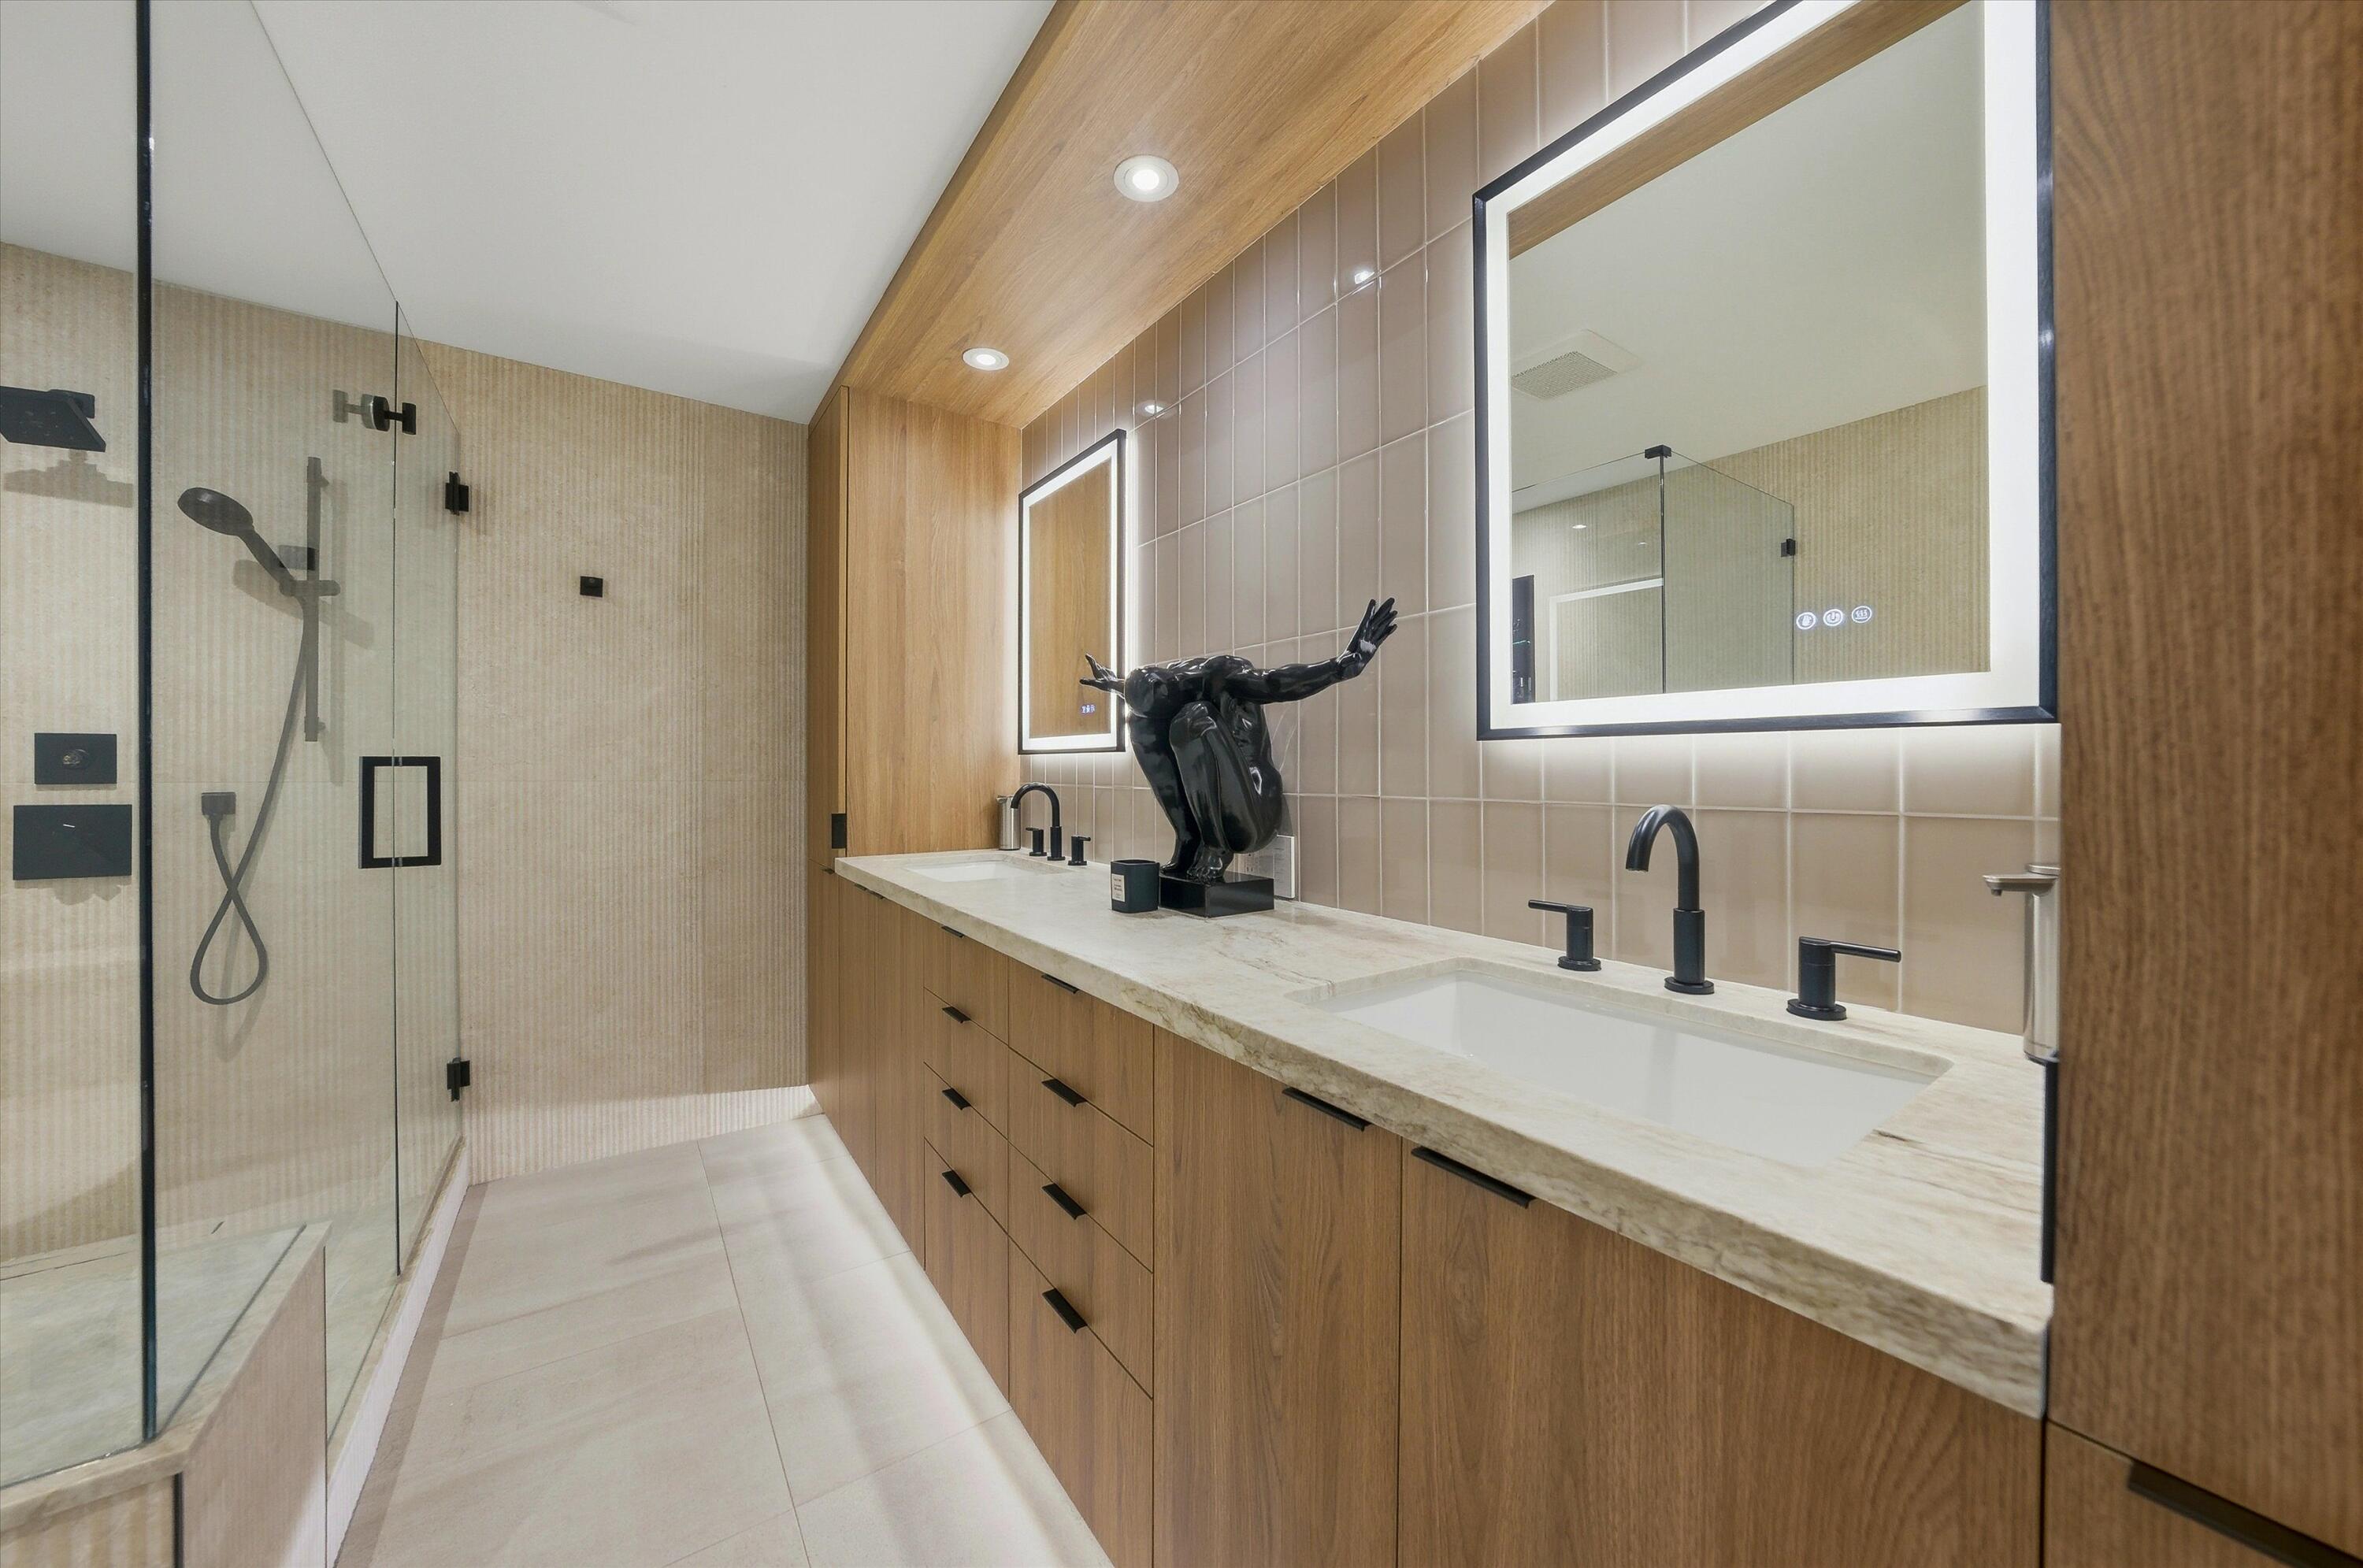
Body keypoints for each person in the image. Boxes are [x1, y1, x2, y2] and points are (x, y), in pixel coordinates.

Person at [1083, 597, 1397, 882]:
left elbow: (1275, 682)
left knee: (1193, 720)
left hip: (1252, 815)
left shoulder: (1224, 676)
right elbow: (1146, 701)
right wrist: (1116, 685)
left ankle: (1216, 847)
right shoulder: (1167, 685)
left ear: (1174, 683)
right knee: (1139, 724)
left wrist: (1339, 667)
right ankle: (1190, 839)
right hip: (1211, 811)